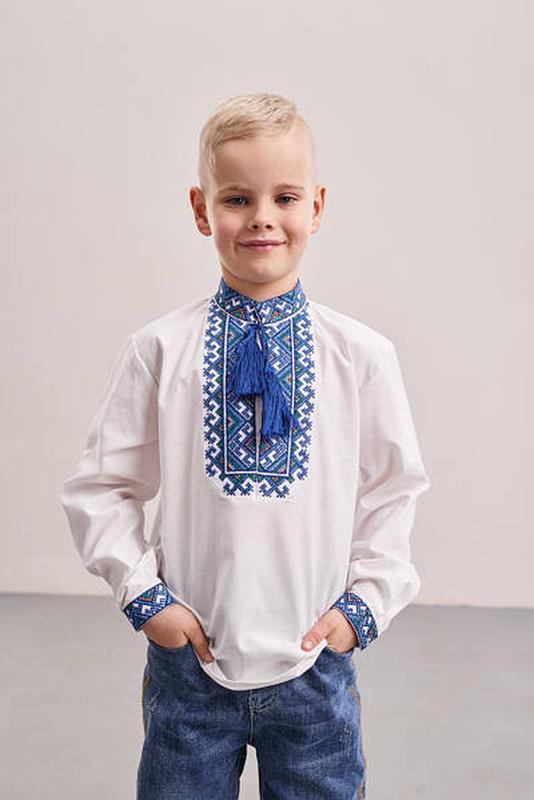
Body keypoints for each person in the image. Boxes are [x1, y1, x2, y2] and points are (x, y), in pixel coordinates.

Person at [59, 92, 431, 799]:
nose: (262, 216)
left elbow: (395, 487)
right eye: (237, 198)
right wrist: (146, 599)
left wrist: (362, 609)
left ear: (316, 207)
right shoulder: (160, 350)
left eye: (284, 197)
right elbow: (101, 487)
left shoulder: (360, 355)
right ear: (201, 210)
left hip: (314, 665)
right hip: (191, 670)